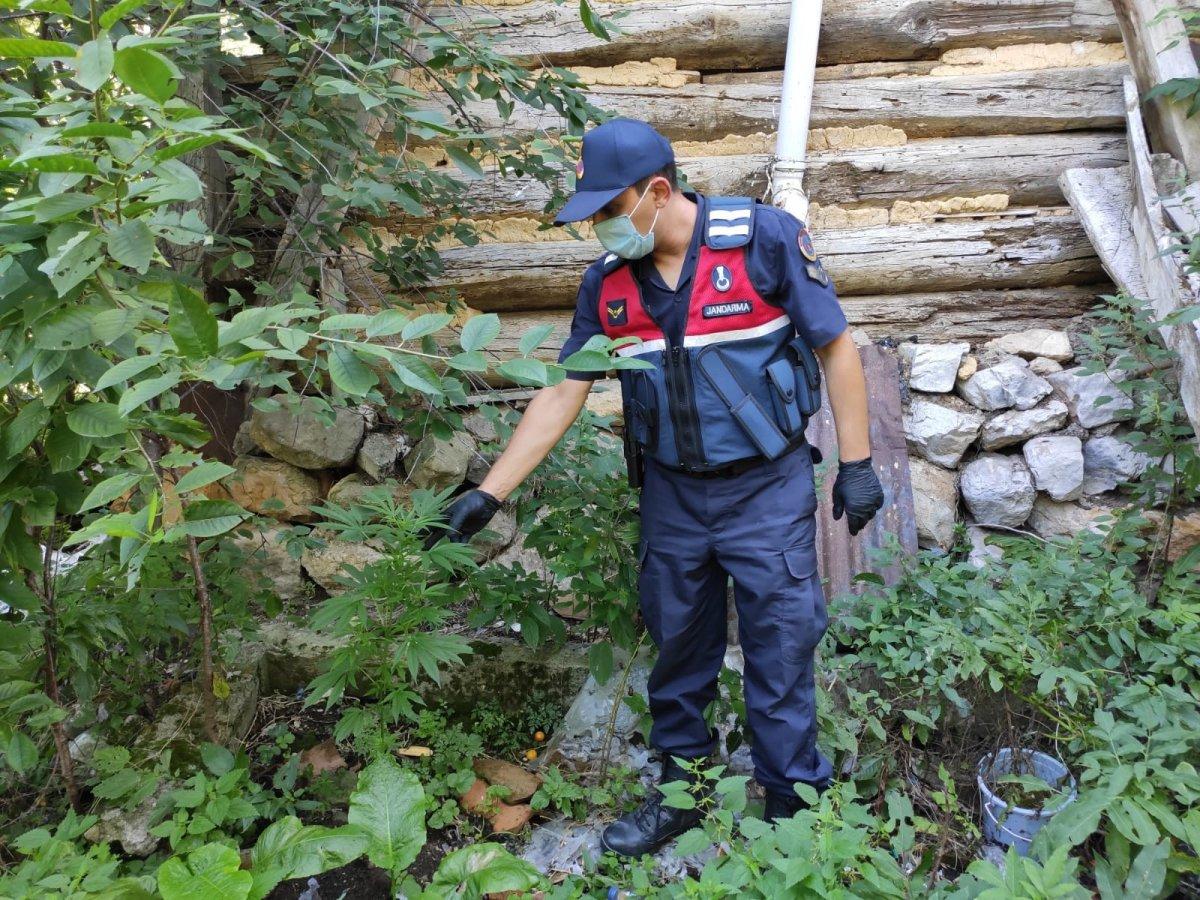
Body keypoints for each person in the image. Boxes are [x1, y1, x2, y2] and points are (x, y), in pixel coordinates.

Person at [433, 117, 885, 857]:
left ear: (658, 191)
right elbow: (563, 392)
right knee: (678, 651)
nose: (603, 231)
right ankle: (684, 794)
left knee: (778, 650)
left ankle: (791, 806)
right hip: (673, 496)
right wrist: (489, 494)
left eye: (610, 212)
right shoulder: (608, 288)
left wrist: (858, 463)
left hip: (765, 489)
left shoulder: (763, 241)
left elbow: (835, 343)